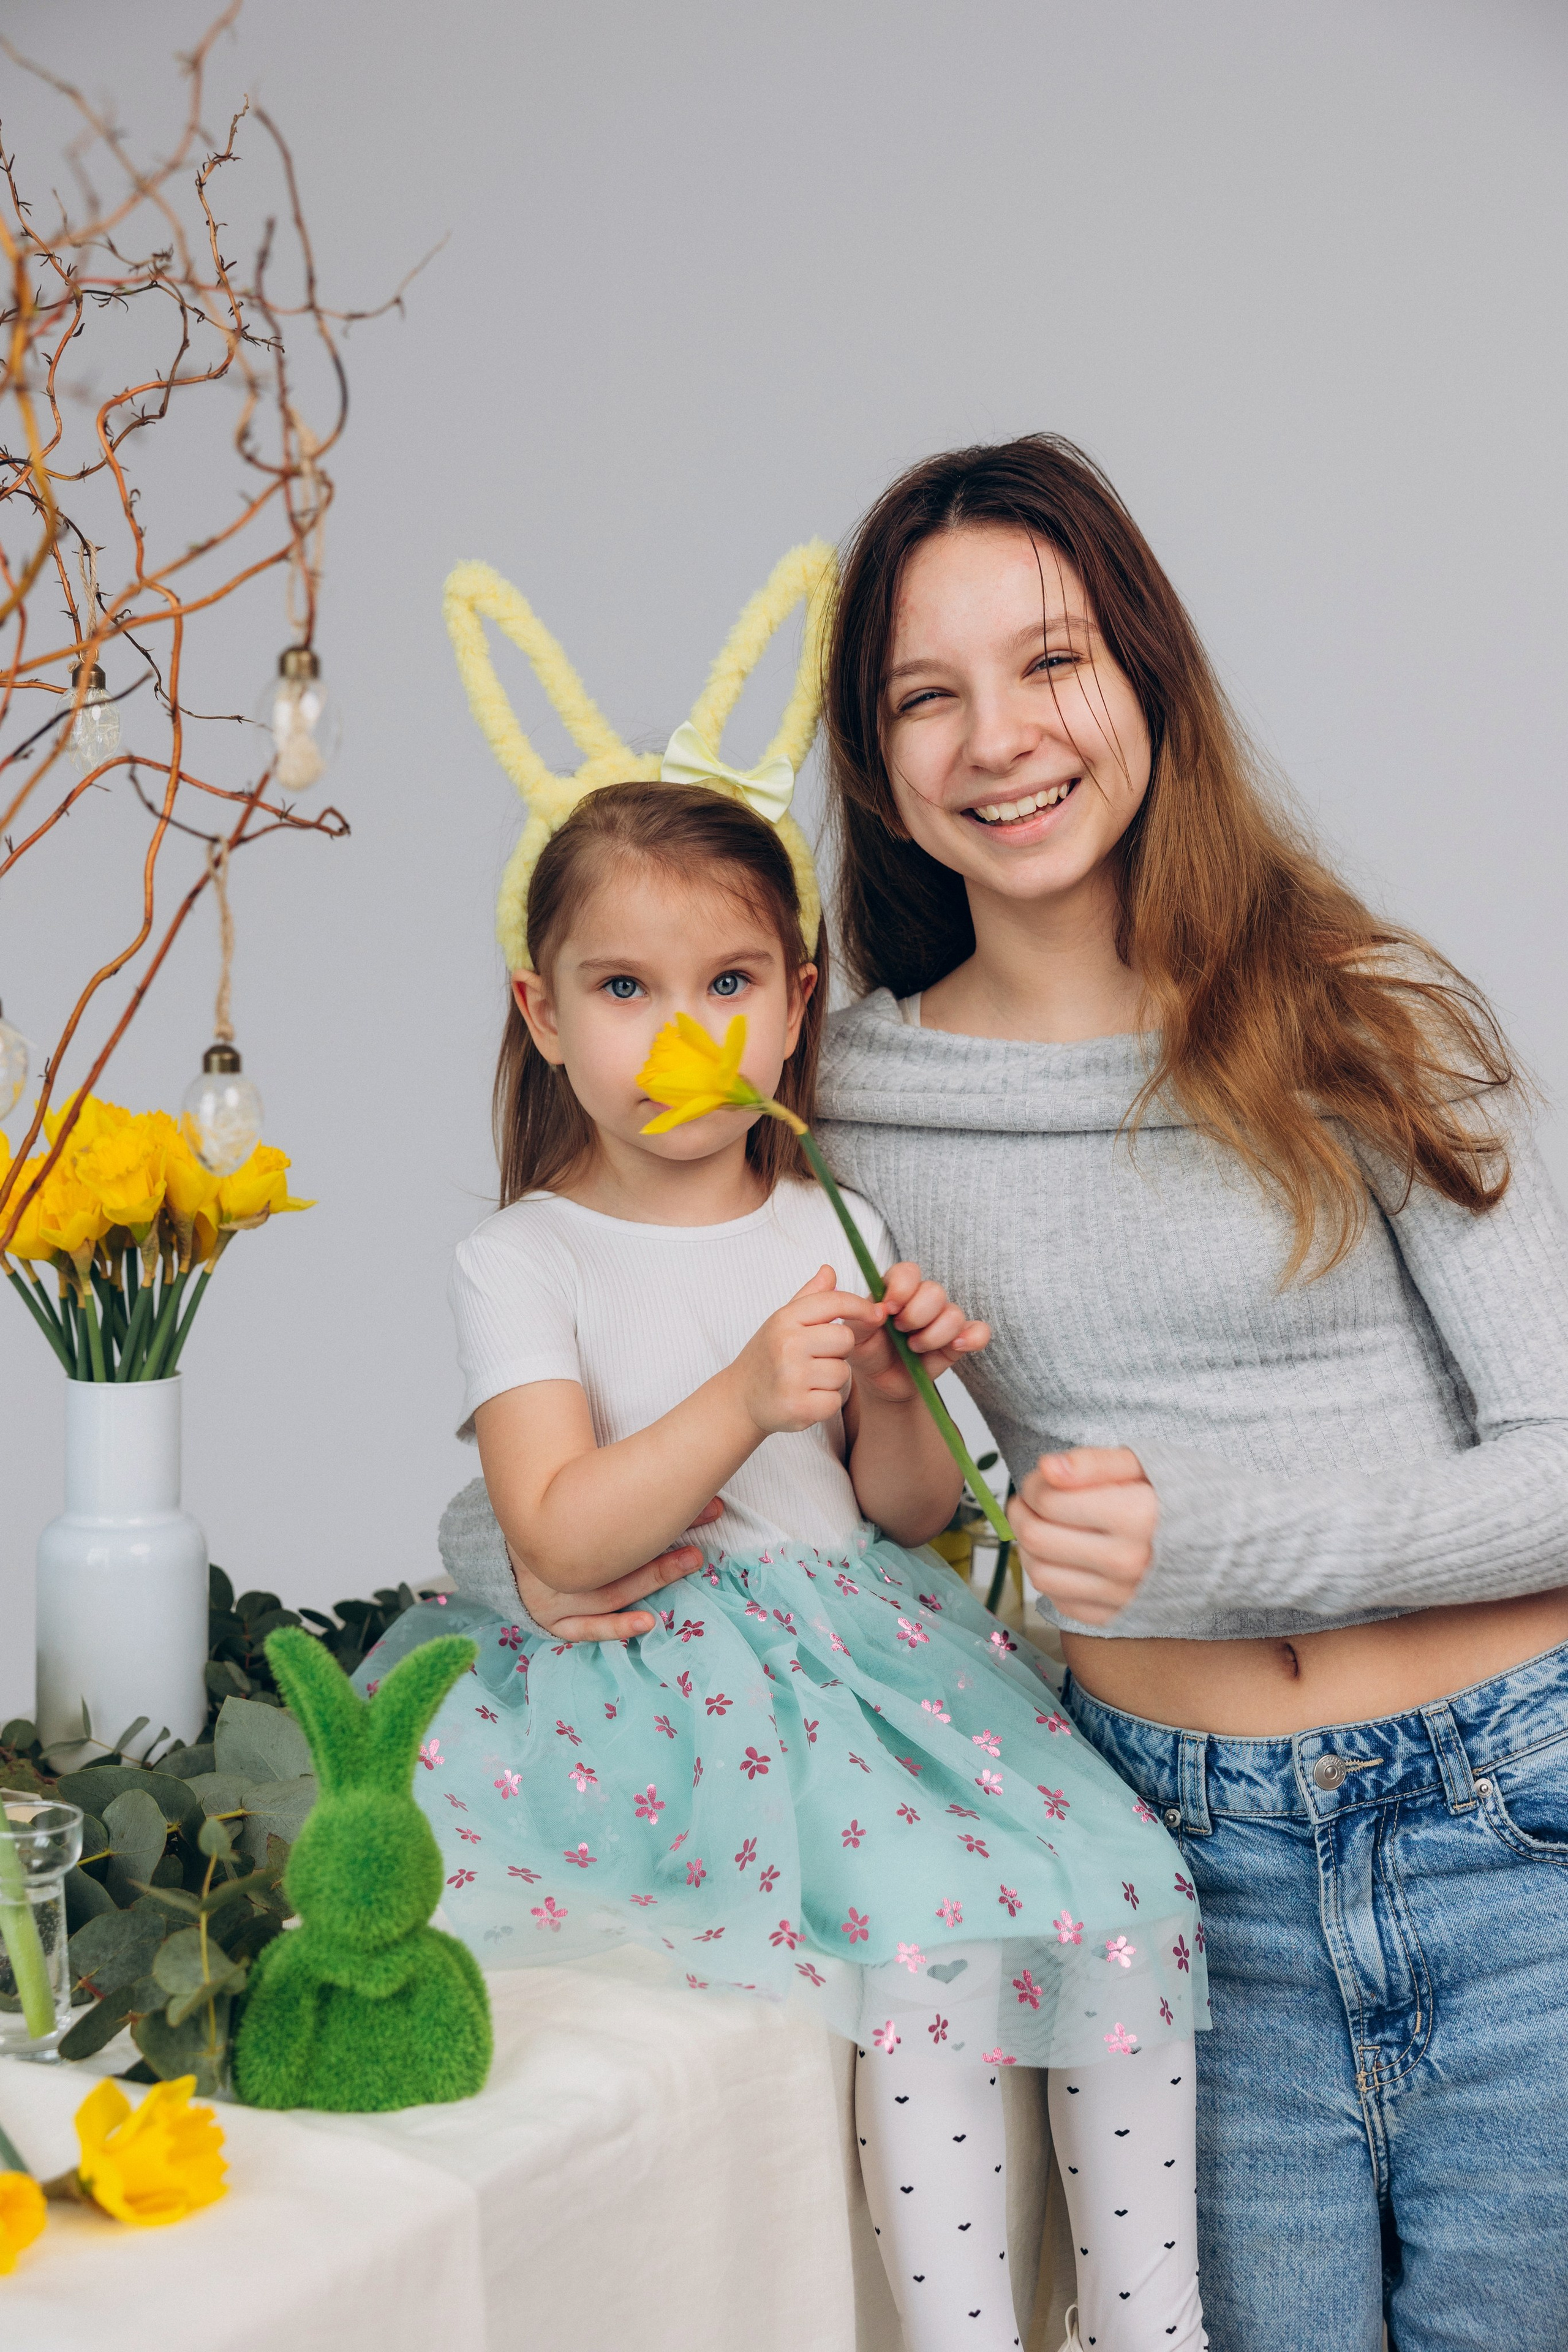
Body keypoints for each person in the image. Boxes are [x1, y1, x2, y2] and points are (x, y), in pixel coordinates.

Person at [372, 549, 1212, 2352]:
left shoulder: (825, 1214)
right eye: (622, 990)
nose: (685, 1038)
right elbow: (562, 1528)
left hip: (879, 1663)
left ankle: (1157, 2328)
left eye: (730, 982)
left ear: (798, 995)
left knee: (1123, 1883)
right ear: (541, 1011)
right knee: (927, 1928)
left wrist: (899, 1389)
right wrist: (745, 1400)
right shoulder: (524, 1256)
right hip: (683, 1686)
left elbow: (902, 1517)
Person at [799, 434, 1568, 2351]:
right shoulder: (840, 1107)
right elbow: (888, 1498)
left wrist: (1212, 1543)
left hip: (1519, 1828)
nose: (999, 739)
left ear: (1146, 677)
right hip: (1180, 1874)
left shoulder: (1358, 1008)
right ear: (880, 767)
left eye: (1051, 662)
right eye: (926, 695)